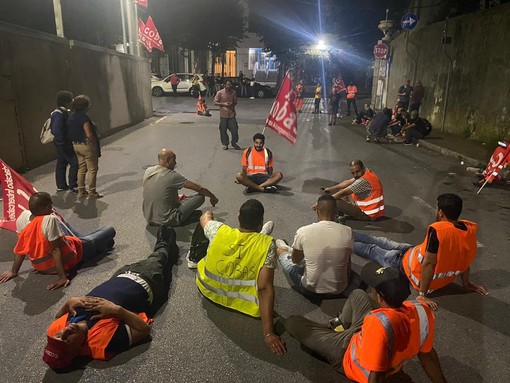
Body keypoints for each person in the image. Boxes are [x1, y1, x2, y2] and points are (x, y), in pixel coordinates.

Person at [42, 225, 178, 370]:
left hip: (120, 275)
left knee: (148, 259)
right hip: (146, 280)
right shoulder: (101, 342)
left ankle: (167, 248)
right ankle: (168, 241)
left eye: (58, 334)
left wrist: (68, 302)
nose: (65, 332)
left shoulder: (58, 329)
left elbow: (58, 317)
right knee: (160, 254)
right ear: (76, 352)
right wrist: (116, 310)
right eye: (66, 340)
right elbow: (143, 330)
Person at [284, 262, 447, 383]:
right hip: (367, 333)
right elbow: (428, 357)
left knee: (292, 323)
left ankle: (334, 332)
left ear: (379, 297)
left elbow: (375, 375)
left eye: (374, 289)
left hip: (346, 353)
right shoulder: (422, 311)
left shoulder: (377, 324)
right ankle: (339, 325)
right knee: (358, 294)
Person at [354, 193, 488, 310]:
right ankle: (344, 233)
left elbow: (429, 264)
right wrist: (467, 283)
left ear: (441, 212)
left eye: (437, 209)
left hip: (403, 263)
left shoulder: (438, 231)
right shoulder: (468, 229)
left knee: (371, 248)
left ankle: (342, 239)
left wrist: (422, 295)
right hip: (411, 251)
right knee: (379, 241)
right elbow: (466, 258)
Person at [195, 199, 287, 356]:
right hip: (243, 304)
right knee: (260, 246)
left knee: (211, 235)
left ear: (238, 217)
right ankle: (259, 235)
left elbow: (204, 219)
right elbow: (264, 288)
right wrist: (268, 333)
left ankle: (256, 235)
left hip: (208, 290)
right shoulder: (268, 245)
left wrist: (208, 214)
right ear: (261, 221)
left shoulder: (219, 230)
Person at [0, 192, 116, 290]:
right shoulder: (49, 220)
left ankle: (98, 243)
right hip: (77, 251)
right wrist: (62, 277)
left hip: (41, 267)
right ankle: (99, 244)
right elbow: (56, 250)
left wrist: (14, 271)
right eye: (51, 205)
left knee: (64, 224)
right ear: (45, 208)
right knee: (109, 230)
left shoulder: (22, 218)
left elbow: (21, 248)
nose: (52, 208)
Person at [277, 194, 353, 296]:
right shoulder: (348, 231)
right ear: (336, 212)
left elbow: (295, 260)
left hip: (310, 290)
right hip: (339, 290)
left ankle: (286, 249)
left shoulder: (303, 231)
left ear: (317, 212)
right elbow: (347, 260)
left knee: (281, 252)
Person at [142, 149, 219, 227]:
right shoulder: (172, 175)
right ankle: (180, 218)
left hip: (149, 218)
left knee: (180, 197)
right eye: (174, 160)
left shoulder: (149, 171)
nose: (175, 163)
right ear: (167, 161)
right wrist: (212, 197)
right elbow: (199, 188)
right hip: (167, 220)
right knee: (200, 196)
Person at [67, 95, 102, 199]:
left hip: (75, 145)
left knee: (81, 168)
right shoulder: (84, 118)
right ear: (85, 106)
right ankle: (92, 192)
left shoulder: (71, 116)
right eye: (88, 105)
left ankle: (81, 190)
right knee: (92, 169)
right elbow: (88, 134)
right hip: (86, 146)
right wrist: (93, 142)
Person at [51, 90, 78, 193]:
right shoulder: (58, 114)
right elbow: (57, 130)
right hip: (63, 144)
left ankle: (61, 185)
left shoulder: (63, 112)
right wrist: (61, 143)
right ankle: (73, 185)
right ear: (66, 102)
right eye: (71, 100)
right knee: (75, 163)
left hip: (61, 144)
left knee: (61, 163)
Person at [214, 79, 241, 150]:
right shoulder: (220, 93)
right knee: (223, 130)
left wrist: (232, 104)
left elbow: (235, 102)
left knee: (235, 129)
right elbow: (215, 102)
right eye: (227, 84)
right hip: (223, 114)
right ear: (224, 85)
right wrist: (223, 104)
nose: (229, 86)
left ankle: (234, 142)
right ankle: (225, 144)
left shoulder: (233, 93)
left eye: (230, 85)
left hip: (231, 114)